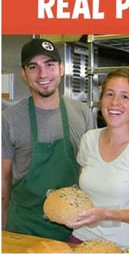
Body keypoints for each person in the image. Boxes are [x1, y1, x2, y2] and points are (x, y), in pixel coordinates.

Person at [2, 38, 96, 241]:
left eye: (50, 64)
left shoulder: (81, 113)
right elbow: (2, 179)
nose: (43, 74)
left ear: (61, 68)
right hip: (23, 228)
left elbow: (89, 169)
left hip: (73, 228)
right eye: (33, 67)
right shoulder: (8, 119)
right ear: (24, 74)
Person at [65, 69, 129, 249]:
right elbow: (83, 193)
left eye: (125, 97)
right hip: (83, 241)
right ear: (101, 100)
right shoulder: (89, 139)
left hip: (127, 247)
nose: (115, 102)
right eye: (109, 94)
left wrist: (110, 214)